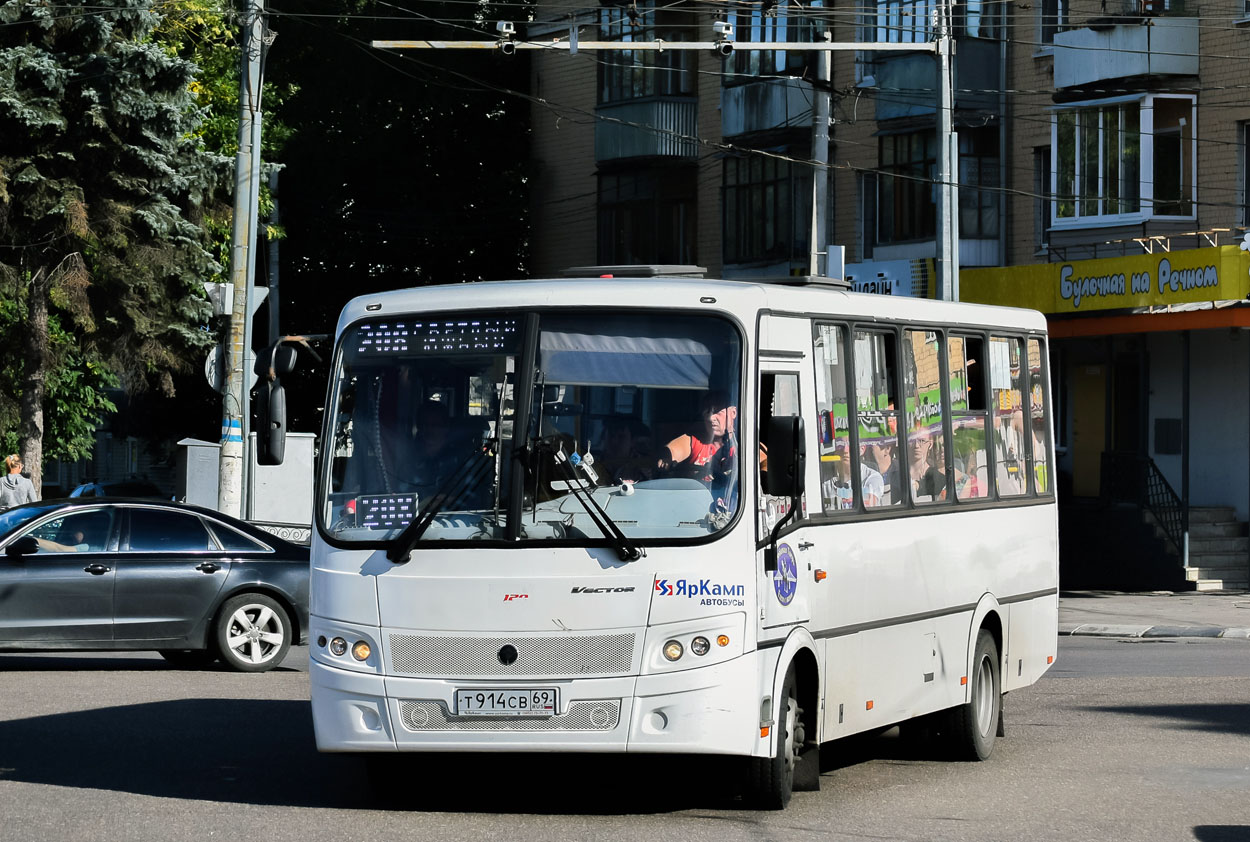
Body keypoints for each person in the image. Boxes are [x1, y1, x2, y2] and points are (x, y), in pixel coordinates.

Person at [657, 391, 737, 486]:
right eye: (707, 412)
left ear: (733, 413)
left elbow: (758, 461)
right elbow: (671, 451)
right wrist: (667, 458)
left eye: (717, 411)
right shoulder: (696, 441)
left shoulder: (744, 443)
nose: (710, 418)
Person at [908, 430, 946, 502]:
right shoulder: (898, 474)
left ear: (930, 444)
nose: (916, 445)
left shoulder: (939, 479)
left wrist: (917, 486)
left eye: (922, 441)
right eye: (912, 440)